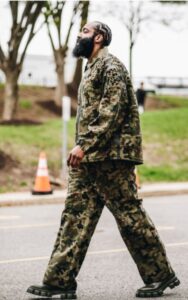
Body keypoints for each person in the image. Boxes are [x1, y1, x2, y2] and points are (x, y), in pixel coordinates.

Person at [27, 21, 180, 299]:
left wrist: (83, 145)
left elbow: (111, 112)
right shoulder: (91, 68)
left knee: (129, 216)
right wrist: (84, 149)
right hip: (90, 160)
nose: (78, 35)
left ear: (99, 37)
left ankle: (160, 275)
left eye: (84, 31)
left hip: (111, 158)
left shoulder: (112, 67)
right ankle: (59, 280)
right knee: (75, 217)